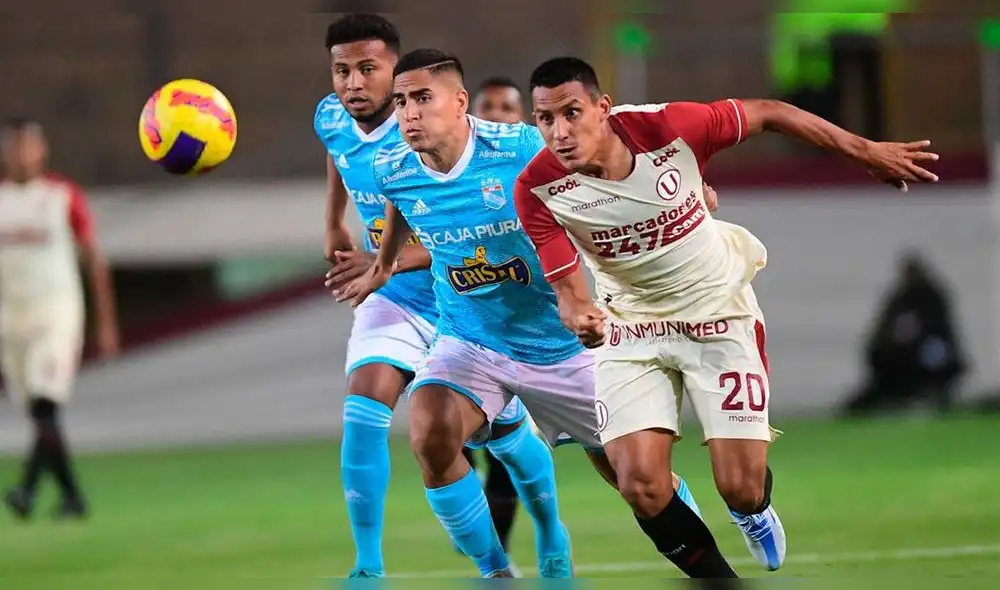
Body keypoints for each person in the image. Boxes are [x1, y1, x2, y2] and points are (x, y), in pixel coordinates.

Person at [515, 56, 939, 572]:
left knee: (739, 486)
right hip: (632, 326)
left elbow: (769, 112)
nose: (560, 132)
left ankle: (753, 511)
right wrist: (580, 314)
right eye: (545, 119)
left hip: (718, 313)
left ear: (602, 108)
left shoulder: (668, 128)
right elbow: (568, 288)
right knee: (641, 486)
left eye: (572, 113)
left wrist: (863, 150)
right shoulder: (536, 188)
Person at [335, 48, 725, 580]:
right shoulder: (392, 166)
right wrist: (385, 265)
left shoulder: (519, 147)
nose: (408, 114)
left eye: (422, 99)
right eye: (401, 101)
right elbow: (400, 208)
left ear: (460, 102)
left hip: (564, 343)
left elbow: (605, 147)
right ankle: (496, 570)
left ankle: (711, 572)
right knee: (429, 427)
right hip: (472, 341)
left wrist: (681, 188)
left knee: (640, 482)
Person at [316, 15, 567, 579]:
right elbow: (337, 153)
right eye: (341, 71)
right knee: (364, 404)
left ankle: (551, 527)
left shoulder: (437, 131)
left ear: (396, 72)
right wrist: (333, 219)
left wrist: (390, 260)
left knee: (502, 434)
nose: (353, 84)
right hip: (395, 299)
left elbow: (464, 232)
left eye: (367, 70)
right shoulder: (332, 117)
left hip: (464, 298)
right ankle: (369, 562)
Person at [0, 118, 120, 520]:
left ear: (42, 149)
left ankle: (27, 489)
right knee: (38, 411)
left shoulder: (62, 196)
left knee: (46, 404)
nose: (21, 153)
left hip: (55, 312)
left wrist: (106, 322)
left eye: (28, 145)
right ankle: (72, 498)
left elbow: (93, 258)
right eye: (14, 146)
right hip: (9, 318)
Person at [845, 252, 965, 415]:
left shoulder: (930, 300)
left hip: (923, 364)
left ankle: (928, 395)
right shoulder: (899, 301)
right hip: (897, 365)